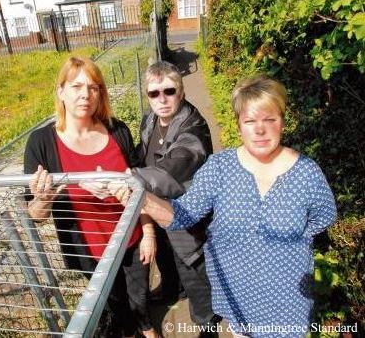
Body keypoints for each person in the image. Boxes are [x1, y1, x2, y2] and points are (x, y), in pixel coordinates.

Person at [110, 74, 337, 337]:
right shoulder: (220, 168)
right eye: (250, 121)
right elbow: (183, 215)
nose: (260, 129)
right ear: (239, 126)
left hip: (287, 303)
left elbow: (323, 217)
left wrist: (286, 250)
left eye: (270, 119)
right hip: (237, 299)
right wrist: (141, 197)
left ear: (282, 122)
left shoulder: (307, 173)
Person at [24, 56, 159, 338]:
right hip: (91, 251)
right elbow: (35, 214)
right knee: (115, 305)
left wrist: (149, 233)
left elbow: (141, 186)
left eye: (94, 87)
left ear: (101, 94)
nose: (85, 94)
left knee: (139, 295)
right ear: (61, 92)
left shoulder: (117, 130)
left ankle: (147, 327)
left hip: (132, 239)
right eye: (76, 86)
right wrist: (45, 197)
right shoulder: (41, 143)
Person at [130, 61, 220, 333]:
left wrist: (131, 178)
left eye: (169, 91)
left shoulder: (194, 125)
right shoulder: (150, 119)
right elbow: (140, 153)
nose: (162, 99)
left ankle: (207, 323)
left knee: (192, 266)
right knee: (167, 258)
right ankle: (171, 291)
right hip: (158, 207)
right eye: (154, 93)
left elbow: (179, 162)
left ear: (181, 92)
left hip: (187, 211)